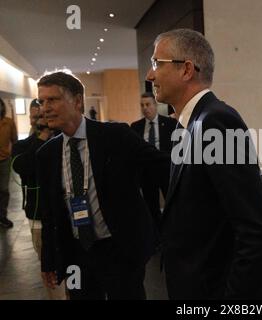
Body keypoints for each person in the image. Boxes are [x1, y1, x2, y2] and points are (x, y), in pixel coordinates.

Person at [146, 28, 262, 300]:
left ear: (187, 70)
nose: (150, 75)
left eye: (157, 63)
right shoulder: (191, 123)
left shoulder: (217, 122)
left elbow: (254, 231)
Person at [36, 71, 169, 300]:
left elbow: (162, 167)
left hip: (119, 249)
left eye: (52, 99)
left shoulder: (115, 136)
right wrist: (49, 259)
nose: (44, 108)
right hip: (76, 254)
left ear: (77, 101)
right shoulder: (47, 154)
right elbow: (49, 213)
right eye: (41, 101)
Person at [12, 103, 66, 299]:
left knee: (75, 268)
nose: (38, 121)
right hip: (38, 215)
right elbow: (22, 167)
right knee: (51, 268)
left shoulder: (63, 141)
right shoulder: (23, 146)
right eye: (35, 118)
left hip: (67, 214)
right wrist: (42, 137)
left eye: (43, 117)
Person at [131, 93, 176, 230]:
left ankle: (173, 230)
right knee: (151, 206)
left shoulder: (169, 123)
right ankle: (157, 237)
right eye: (142, 105)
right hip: (146, 173)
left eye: (148, 104)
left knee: (171, 203)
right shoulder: (136, 127)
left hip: (165, 170)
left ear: (155, 105)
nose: (145, 108)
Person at [0, 97, 18, 229]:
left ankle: (2, 216)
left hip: (5, 160)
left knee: (4, 190)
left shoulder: (9, 122)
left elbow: (15, 140)